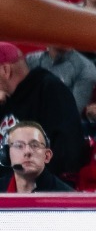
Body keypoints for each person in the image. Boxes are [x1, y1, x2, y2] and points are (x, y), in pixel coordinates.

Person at [0, 42, 87, 181]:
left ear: (5, 70)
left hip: (35, 189)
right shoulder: (5, 100)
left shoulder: (49, 90)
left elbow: (67, 151)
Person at [24, 42, 96, 113]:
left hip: (60, 121)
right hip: (27, 119)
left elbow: (74, 112)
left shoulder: (84, 67)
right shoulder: (30, 60)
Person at [3, 121, 70, 193]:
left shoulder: (67, 197)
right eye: (19, 146)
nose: (27, 152)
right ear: (7, 154)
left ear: (47, 156)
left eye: (34, 145)